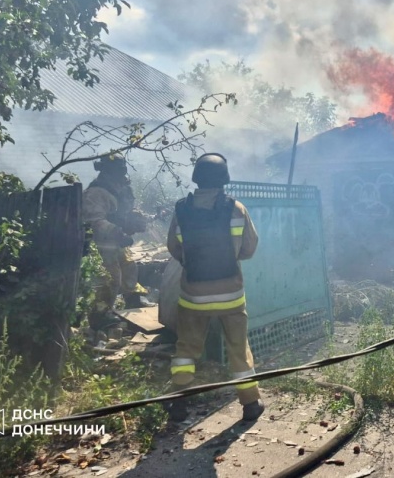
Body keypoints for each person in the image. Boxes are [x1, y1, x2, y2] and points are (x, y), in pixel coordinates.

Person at [165, 152, 264, 422]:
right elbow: (249, 248)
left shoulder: (181, 209)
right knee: (238, 348)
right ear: (224, 179)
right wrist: (230, 258)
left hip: (193, 296)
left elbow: (173, 247)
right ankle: (251, 403)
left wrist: (190, 262)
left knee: (186, 350)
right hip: (231, 295)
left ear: (196, 177)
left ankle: (178, 403)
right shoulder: (236, 208)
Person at [83, 154, 152, 331]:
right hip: (100, 244)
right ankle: (100, 315)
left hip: (116, 242)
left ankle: (133, 300)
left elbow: (126, 211)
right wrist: (118, 232)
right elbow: (94, 221)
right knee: (110, 278)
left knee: (129, 266)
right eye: (117, 171)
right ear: (106, 171)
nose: (121, 175)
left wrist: (136, 219)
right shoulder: (96, 193)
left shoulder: (121, 188)